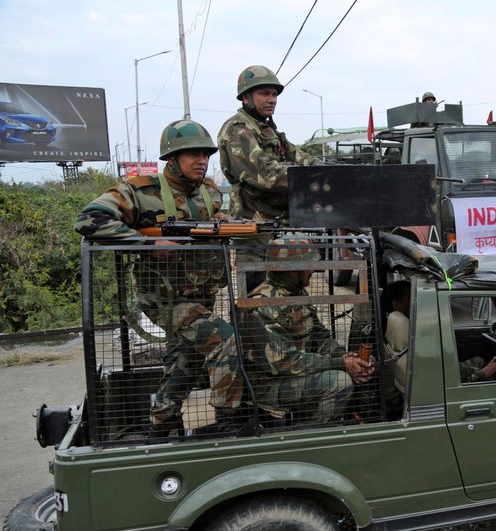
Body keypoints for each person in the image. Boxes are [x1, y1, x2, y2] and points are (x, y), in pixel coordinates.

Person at [74, 119, 232, 432]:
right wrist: (146, 243)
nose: (201, 161)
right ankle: (231, 422)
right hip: (165, 300)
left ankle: (163, 422)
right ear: (172, 159)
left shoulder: (210, 192)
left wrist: (218, 221)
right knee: (228, 342)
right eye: (192, 155)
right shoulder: (140, 192)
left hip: (202, 296)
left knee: (185, 362)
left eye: (205, 155)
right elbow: (88, 219)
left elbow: (203, 219)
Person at [218, 236, 374, 425]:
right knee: (339, 382)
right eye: (309, 265)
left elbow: (319, 336)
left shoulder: (296, 293)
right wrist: (340, 364)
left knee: (367, 366)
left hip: (296, 374)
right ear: (292, 271)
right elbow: (285, 362)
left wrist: (346, 356)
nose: (313, 270)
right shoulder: (260, 306)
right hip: (267, 386)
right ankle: (313, 437)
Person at [217, 65, 319, 224]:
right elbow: (266, 175)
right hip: (256, 226)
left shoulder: (267, 130)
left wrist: (326, 168)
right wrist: (315, 176)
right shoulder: (236, 130)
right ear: (246, 98)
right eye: (264, 94)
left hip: (281, 220)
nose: (272, 100)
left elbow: (300, 156)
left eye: (274, 94)